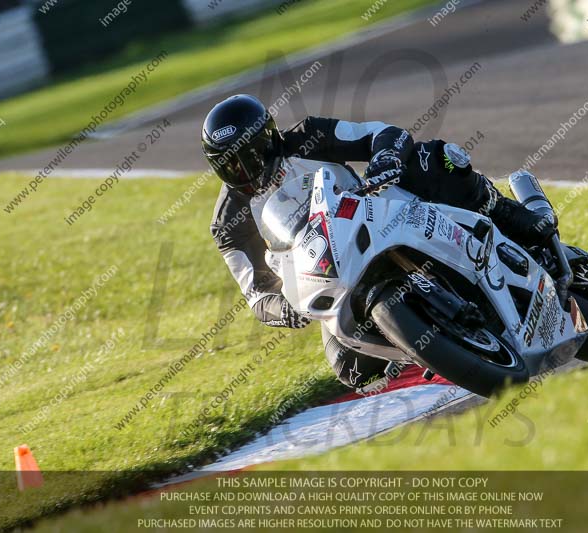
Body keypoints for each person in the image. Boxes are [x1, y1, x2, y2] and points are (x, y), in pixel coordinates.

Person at [203, 94, 554, 392]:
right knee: (349, 368)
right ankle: (431, 340)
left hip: (378, 213)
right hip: (329, 270)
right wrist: (285, 310)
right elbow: (256, 293)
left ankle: (511, 214)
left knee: (430, 159)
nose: (243, 171)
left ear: (269, 138)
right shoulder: (227, 222)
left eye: (250, 156)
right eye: (229, 166)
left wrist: (385, 159)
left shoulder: (309, 135)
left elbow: (384, 134)